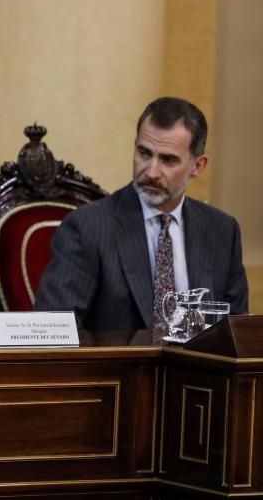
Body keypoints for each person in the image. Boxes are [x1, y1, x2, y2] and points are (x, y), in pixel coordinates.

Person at [34, 97, 248, 330]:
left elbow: (236, 336)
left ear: (197, 166)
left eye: (168, 160)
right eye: (144, 154)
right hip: (116, 367)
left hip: (198, 367)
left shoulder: (223, 231)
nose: (152, 172)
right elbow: (54, 333)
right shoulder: (88, 228)